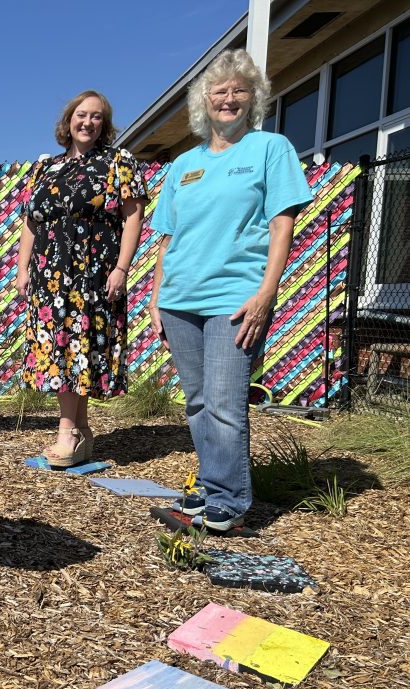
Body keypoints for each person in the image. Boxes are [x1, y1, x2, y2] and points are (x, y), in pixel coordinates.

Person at [148, 49, 312, 532]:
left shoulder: (269, 149)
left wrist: (267, 292)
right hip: (180, 299)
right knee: (198, 401)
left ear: (253, 98)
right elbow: (167, 238)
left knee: (224, 401)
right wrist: (157, 299)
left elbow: (283, 224)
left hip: (235, 298)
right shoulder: (183, 165)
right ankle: (212, 485)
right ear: (204, 102)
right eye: (219, 90)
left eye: (239, 90)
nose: (229, 98)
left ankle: (230, 500)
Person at [15, 91, 147, 467]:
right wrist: (23, 269)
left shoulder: (119, 163)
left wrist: (122, 268)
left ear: (104, 126)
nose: (87, 122)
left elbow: (133, 217)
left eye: (96, 117)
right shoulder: (46, 168)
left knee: (77, 350)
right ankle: (83, 432)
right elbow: (30, 222)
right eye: (81, 115)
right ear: (68, 120)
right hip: (49, 276)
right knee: (62, 350)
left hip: (93, 275)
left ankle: (66, 434)